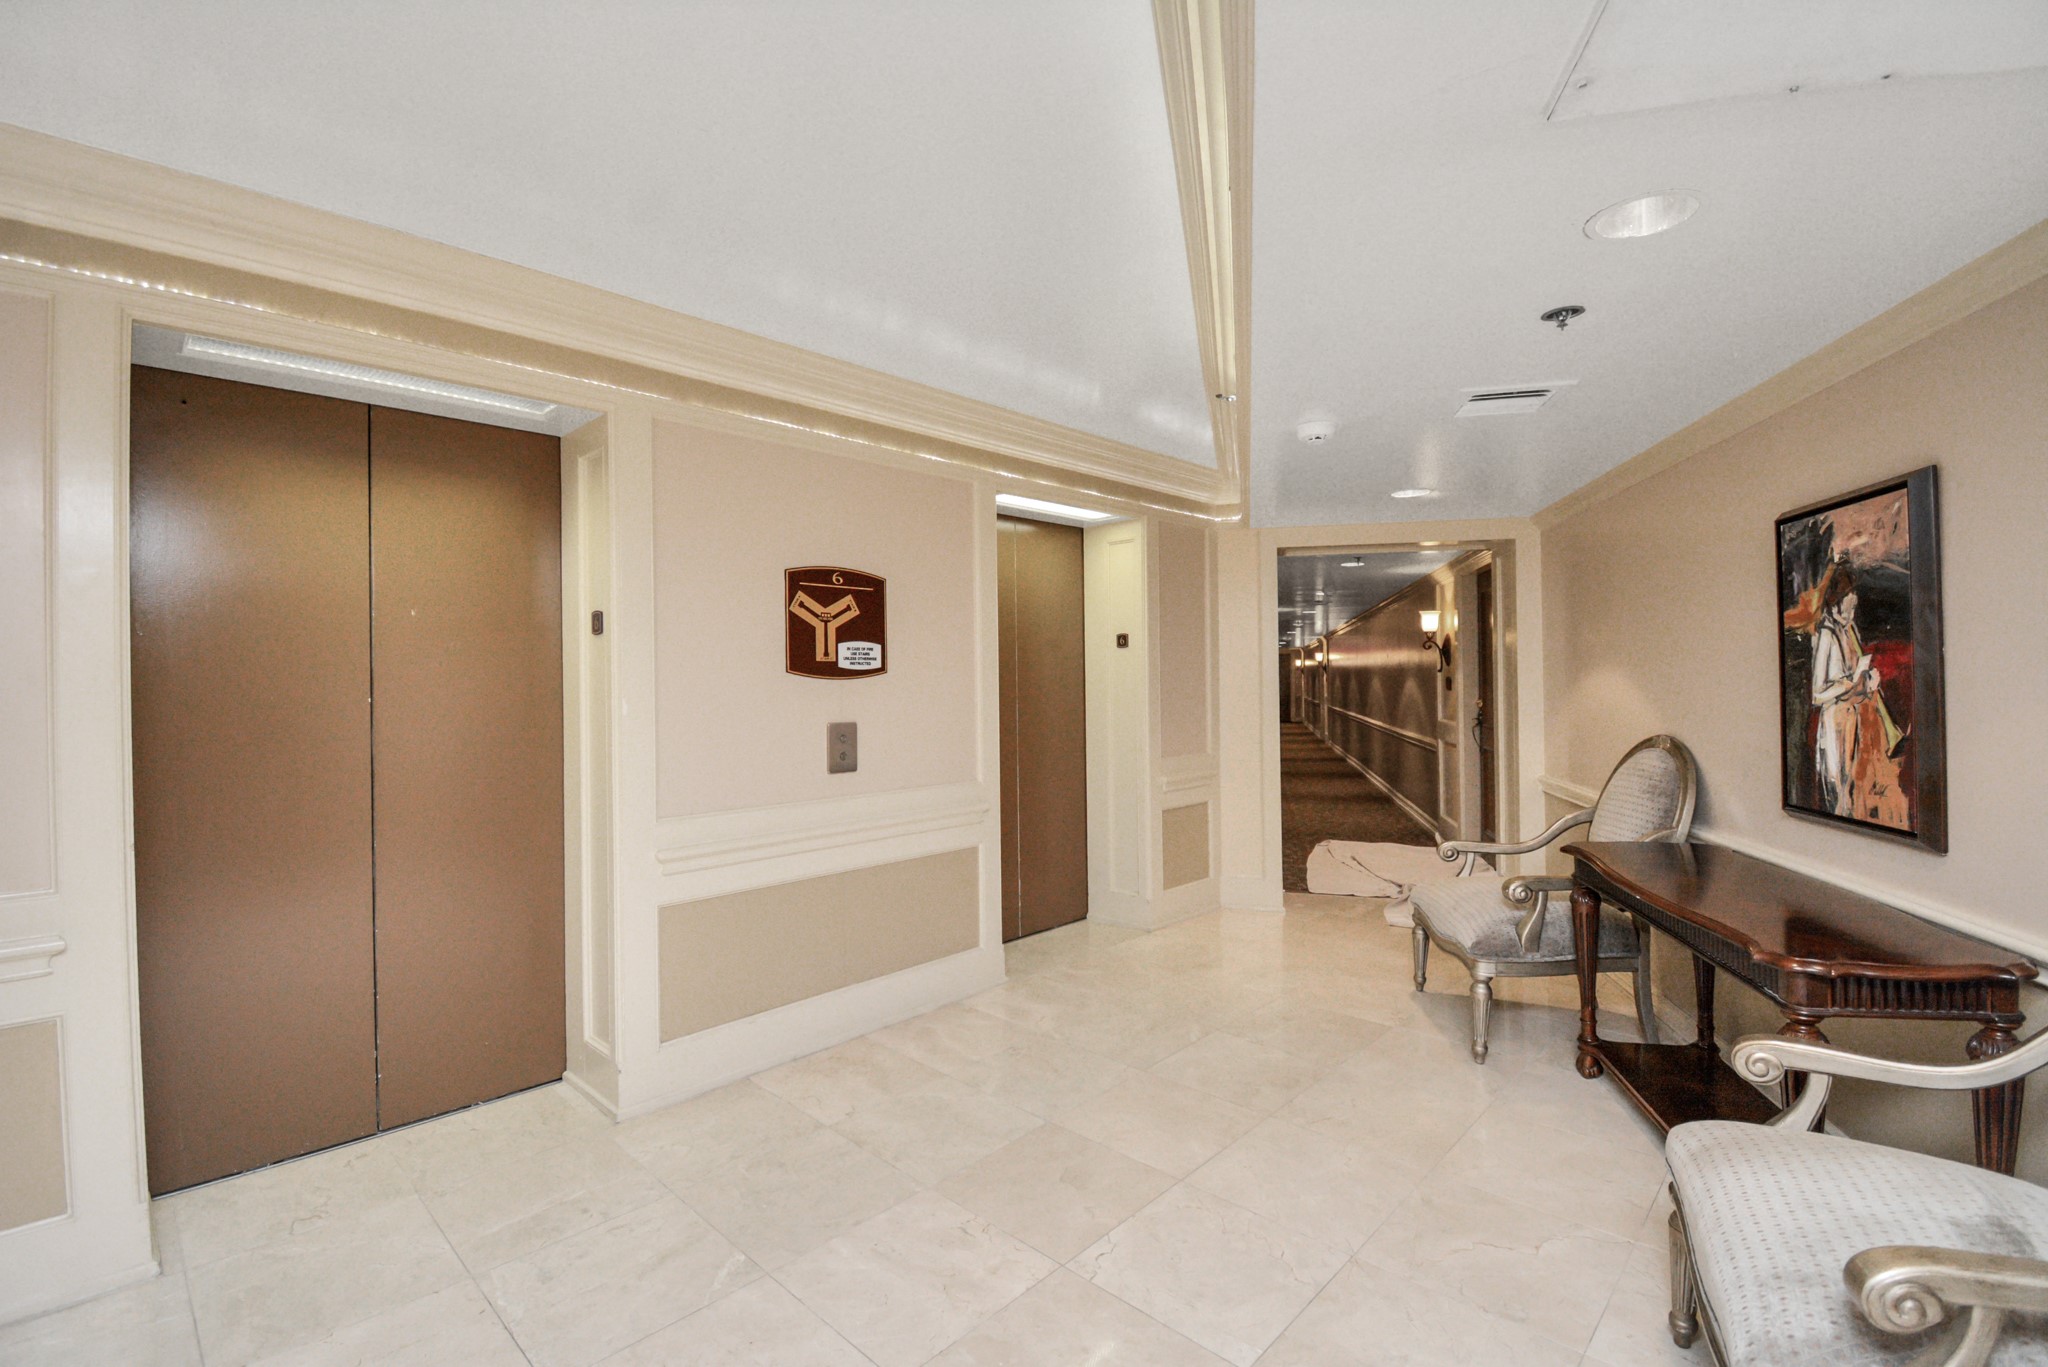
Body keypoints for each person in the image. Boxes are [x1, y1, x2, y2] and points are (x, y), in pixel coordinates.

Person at [1806, 558, 1907, 826]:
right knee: (1837, 792)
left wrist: (1867, 681)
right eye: (1849, 605)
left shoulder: (1848, 628)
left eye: (1854, 606)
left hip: (1853, 719)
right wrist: (1851, 682)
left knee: (1852, 790)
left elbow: (1853, 679)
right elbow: (1817, 694)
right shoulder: (1826, 635)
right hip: (1834, 722)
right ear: (1838, 600)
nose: (1853, 612)